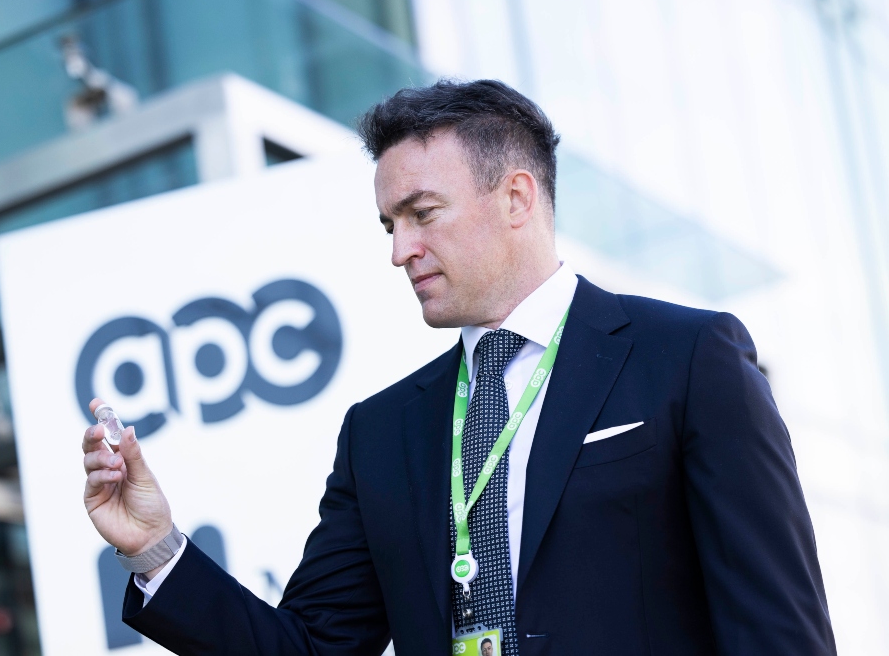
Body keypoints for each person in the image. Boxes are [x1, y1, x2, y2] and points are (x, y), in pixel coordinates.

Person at [81, 79, 837, 655]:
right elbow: (307, 647)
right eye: (389, 223)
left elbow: (777, 628)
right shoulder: (380, 432)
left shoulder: (688, 358)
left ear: (516, 197)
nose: (398, 249)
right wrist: (155, 547)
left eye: (422, 213)